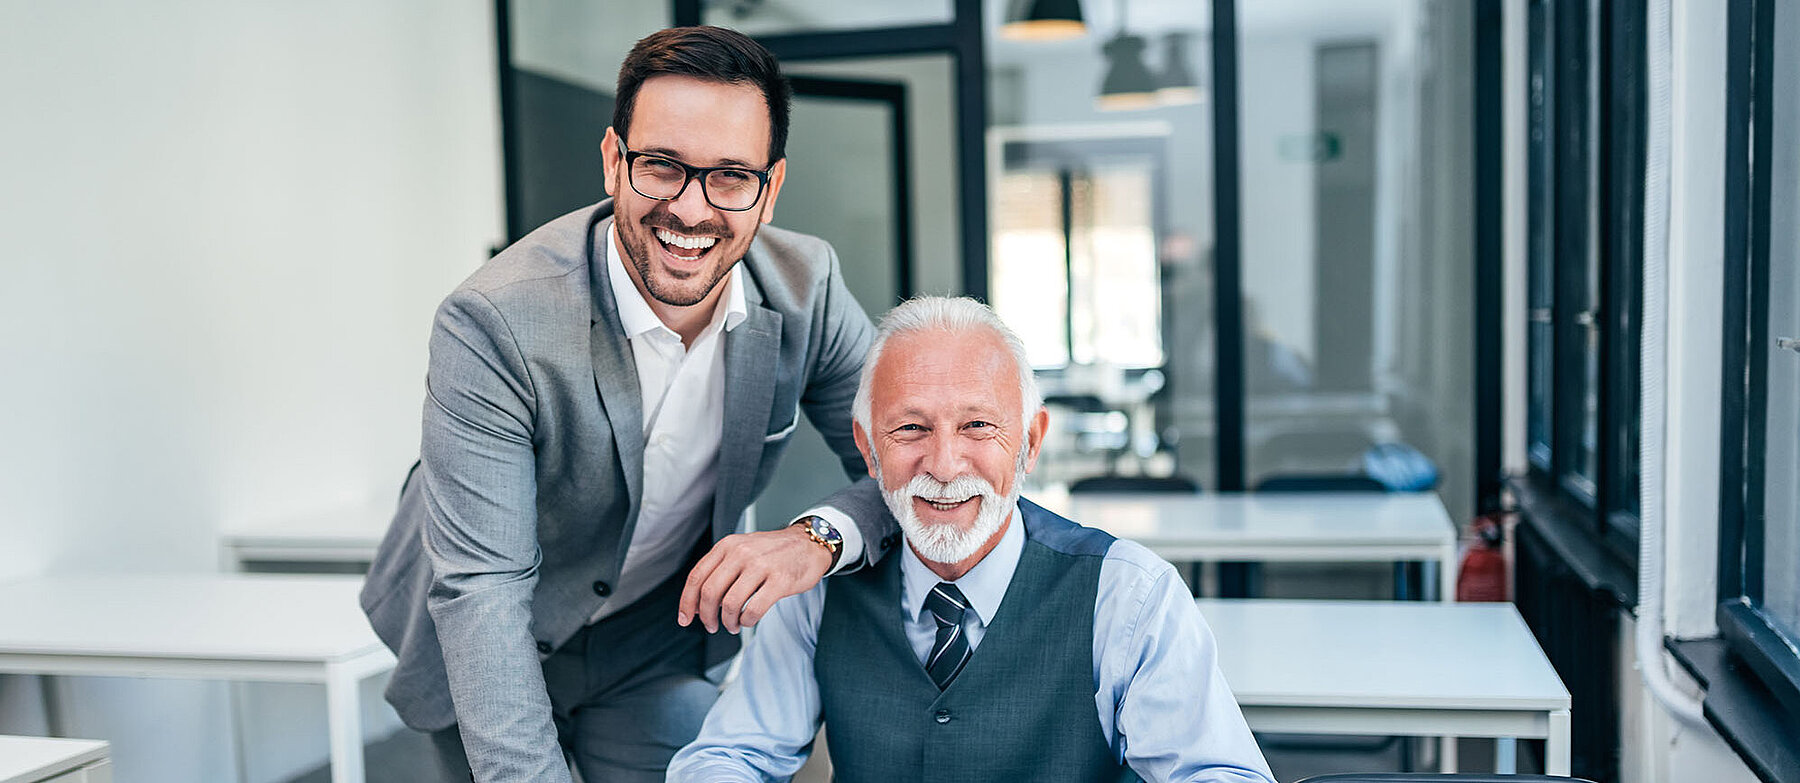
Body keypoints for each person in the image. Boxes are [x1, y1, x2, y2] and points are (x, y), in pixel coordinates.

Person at [359, 26, 894, 783]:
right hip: (488, 634)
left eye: (731, 177)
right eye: (662, 166)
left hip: (655, 639)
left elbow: (906, 464)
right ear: (614, 160)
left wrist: (815, 538)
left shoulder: (808, 288)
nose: (691, 209)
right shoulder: (493, 320)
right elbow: (483, 590)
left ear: (769, 191)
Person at [668, 297, 1276, 783]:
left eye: (977, 426)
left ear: (1031, 442)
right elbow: (730, 755)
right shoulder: (818, 594)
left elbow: (1215, 772)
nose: (944, 463)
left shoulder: (1128, 595)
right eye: (910, 428)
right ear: (867, 448)